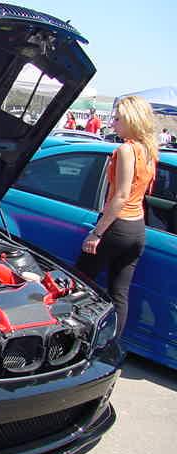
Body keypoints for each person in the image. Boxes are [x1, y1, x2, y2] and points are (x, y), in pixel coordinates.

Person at [76, 96, 158, 338]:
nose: (113, 124)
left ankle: (74, 341)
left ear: (132, 120)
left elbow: (121, 196)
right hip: (137, 229)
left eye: (118, 119)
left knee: (79, 282)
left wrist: (96, 233)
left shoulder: (126, 150)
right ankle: (112, 343)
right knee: (119, 293)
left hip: (117, 226)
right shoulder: (149, 150)